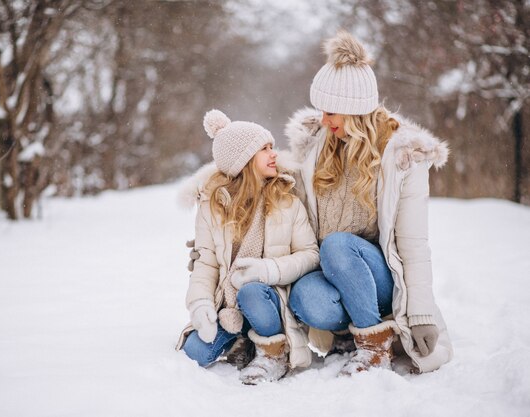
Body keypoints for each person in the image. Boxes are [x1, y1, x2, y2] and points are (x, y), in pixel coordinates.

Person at [281, 30, 453, 375]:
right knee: (304, 297)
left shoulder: (402, 158)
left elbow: (413, 245)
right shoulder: (316, 148)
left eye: (332, 113)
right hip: (332, 271)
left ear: (355, 112)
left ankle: (374, 347)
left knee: (338, 245)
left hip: (382, 280)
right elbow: (288, 213)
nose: (324, 120)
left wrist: (420, 313)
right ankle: (346, 336)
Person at [175, 109, 319, 385]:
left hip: (270, 299)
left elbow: (310, 254)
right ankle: (242, 340)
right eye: (264, 149)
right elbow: (205, 263)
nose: (274, 153)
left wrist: (269, 270)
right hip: (229, 306)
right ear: (243, 160)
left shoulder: (287, 201)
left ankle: (273, 351)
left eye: (272, 147)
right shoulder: (212, 207)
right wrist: (201, 304)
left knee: (252, 292)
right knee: (195, 351)